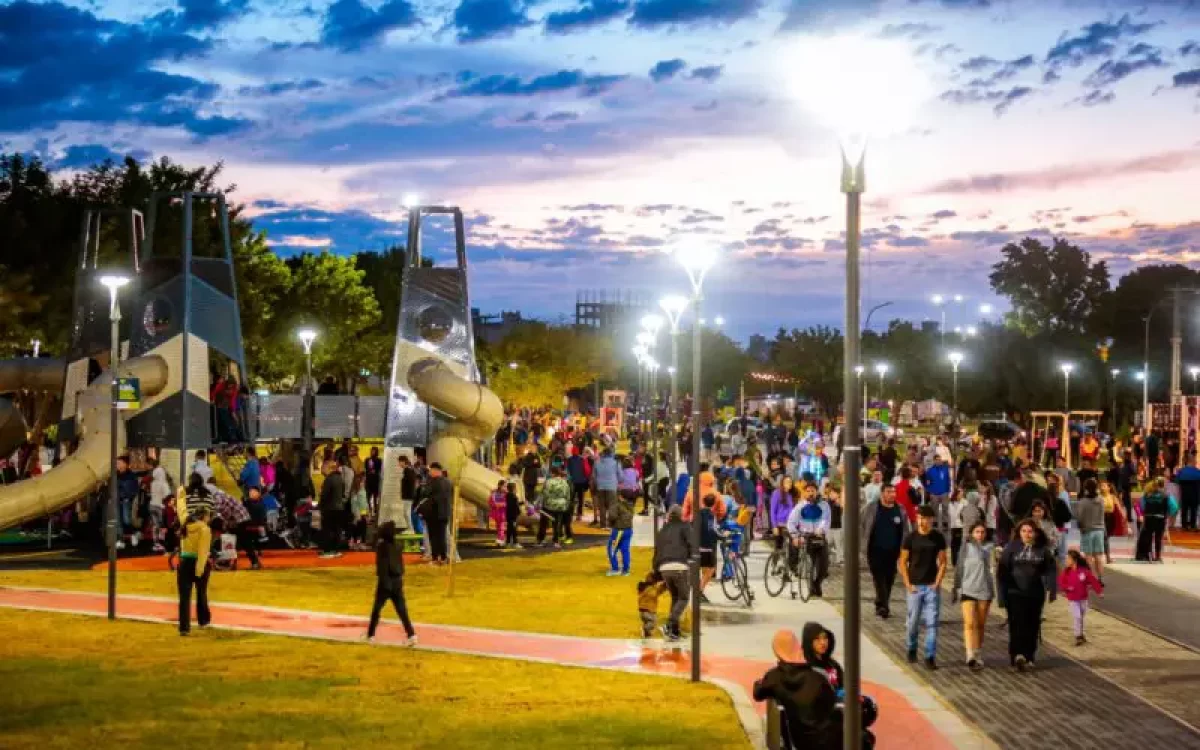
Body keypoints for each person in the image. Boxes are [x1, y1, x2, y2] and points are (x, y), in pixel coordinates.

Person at [752, 629, 842, 750]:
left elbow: (757, 694)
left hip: (796, 739)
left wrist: (760, 682)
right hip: (824, 737)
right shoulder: (817, 676)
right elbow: (832, 702)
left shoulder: (774, 677)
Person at [997, 518, 1057, 671]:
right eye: (1024, 531)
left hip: (1035, 593)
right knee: (1016, 624)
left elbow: (1050, 569)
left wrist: (1052, 588)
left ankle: (1029, 655)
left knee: (1032, 625)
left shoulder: (1042, 550)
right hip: (1014, 592)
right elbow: (1002, 572)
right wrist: (1001, 595)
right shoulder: (1011, 548)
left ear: (1035, 533)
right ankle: (1017, 655)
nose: (1027, 534)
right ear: (1019, 533)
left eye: (1030, 531)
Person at [900, 505, 947, 669]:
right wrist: (907, 584)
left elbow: (943, 562)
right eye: (919, 518)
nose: (922, 521)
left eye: (925, 518)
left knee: (932, 622)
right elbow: (903, 561)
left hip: (931, 586)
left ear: (931, 520)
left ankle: (929, 656)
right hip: (914, 585)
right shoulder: (910, 538)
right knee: (913, 622)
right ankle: (912, 647)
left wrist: (937, 582)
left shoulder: (937, 537)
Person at [365, 521, 418, 645]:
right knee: (402, 611)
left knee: (376, 609)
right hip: (397, 581)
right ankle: (411, 635)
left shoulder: (382, 547)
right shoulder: (397, 546)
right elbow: (401, 565)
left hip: (386, 582)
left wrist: (384, 583)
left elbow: (382, 567)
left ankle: (370, 635)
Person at [862, 484, 909, 620]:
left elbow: (906, 530)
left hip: (893, 552)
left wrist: (905, 549)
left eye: (894, 492)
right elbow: (861, 524)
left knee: (889, 578)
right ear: (882, 494)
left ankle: (881, 602)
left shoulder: (900, 510)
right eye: (889, 492)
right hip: (875, 550)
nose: (892, 494)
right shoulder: (871, 508)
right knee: (879, 577)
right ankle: (884, 606)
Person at [953, 522, 995, 670]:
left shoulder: (989, 548)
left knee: (980, 624)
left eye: (982, 532)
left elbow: (990, 563)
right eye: (977, 532)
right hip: (967, 589)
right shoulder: (965, 547)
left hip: (984, 590)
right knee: (969, 623)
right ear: (971, 533)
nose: (980, 535)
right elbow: (959, 567)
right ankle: (969, 654)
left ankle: (977, 652)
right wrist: (956, 587)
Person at [652, 505, 693, 641]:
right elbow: (692, 544)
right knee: (684, 597)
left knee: (675, 598)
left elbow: (657, 551)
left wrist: (656, 573)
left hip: (664, 568)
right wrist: (692, 559)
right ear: (681, 515)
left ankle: (674, 632)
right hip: (679, 565)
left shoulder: (662, 530)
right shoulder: (685, 527)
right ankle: (669, 624)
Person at [786, 482, 831, 598]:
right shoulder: (799, 507)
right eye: (808, 491)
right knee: (809, 565)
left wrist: (821, 530)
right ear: (805, 493)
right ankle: (811, 587)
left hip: (820, 538)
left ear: (816, 492)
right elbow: (791, 523)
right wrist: (795, 536)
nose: (811, 493)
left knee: (823, 567)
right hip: (806, 537)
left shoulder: (824, 505)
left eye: (813, 490)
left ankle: (817, 584)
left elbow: (826, 520)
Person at [177, 507, 212, 636]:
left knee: (184, 597)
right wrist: (199, 570)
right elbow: (203, 552)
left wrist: (181, 492)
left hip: (184, 562)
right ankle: (203, 620)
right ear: (204, 517)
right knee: (201, 593)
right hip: (198, 563)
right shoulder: (205, 529)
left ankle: (184, 628)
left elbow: (181, 509)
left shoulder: (185, 524)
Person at [1059, 549, 1103, 647]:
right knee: (1077, 617)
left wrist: (1099, 592)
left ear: (1074, 560)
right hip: (1073, 599)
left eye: (1068, 559)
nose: (1066, 561)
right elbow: (1061, 582)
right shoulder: (1066, 572)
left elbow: (1093, 581)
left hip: (1083, 598)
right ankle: (1078, 636)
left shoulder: (1084, 572)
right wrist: (1067, 588)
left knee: (1081, 617)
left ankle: (1081, 634)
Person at [1073, 478, 1107, 580]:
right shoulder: (1101, 500)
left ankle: (1092, 577)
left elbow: (1079, 517)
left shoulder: (1083, 502)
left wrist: (1080, 526)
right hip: (1099, 530)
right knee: (1099, 555)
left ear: (1085, 488)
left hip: (1087, 530)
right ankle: (1100, 578)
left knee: (1088, 556)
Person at [1136, 478, 1174, 562]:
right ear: (1163, 485)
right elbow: (1174, 507)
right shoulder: (1166, 495)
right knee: (1158, 538)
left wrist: (1143, 513)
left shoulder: (1147, 495)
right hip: (1160, 518)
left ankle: (1149, 555)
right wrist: (1168, 513)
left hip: (1149, 518)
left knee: (1148, 537)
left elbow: (1141, 506)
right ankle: (1158, 556)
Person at [606, 472, 635, 575]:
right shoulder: (631, 505)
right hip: (629, 530)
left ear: (621, 497)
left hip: (618, 530)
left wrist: (610, 523)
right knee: (625, 549)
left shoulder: (617, 505)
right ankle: (626, 570)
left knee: (612, 549)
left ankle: (615, 569)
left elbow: (612, 516)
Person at [426, 463, 454, 564]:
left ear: (435, 470)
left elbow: (431, 498)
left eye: (430, 470)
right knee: (442, 536)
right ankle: (443, 557)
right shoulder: (448, 482)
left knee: (434, 537)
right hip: (445, 513)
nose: (429, 472)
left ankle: (435, 558)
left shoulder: (433, 482)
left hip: (434, 513)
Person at [318, 460, 345, 559]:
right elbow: (343, 493)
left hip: (329, 508)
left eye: (323, 467)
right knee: (337, 530)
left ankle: (328, 550)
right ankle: (335, 550)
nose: (322, 470)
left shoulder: (329, 479)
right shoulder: (340, 478)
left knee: (328, 530)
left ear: (328, 468)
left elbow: (325, 495)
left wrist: (320, 505)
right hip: (339, 508)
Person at [592, 447, 620, 529]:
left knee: (602, 506)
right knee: (612, 505)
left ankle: (603, 525)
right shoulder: (616, 463)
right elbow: (621, 476)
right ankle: (611, 524)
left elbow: (593, 476)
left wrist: (597, 483)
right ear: (611, 454)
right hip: (612, 487)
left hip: (600, 486)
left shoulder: (597, 463)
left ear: (603, 454)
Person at [925, 453, 952, 533]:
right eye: (937, 460)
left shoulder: (945, 469)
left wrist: (948, 490)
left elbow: (948, 480)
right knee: (934, 509)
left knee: (945, 508)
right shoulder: (930, 470)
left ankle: (945, 524)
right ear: (934, 461)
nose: (938, 461)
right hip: (934, 493)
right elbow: (927, 482)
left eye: (939, 460)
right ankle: (935, 523)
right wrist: (930, 491)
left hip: (944, 492)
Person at [638, 570, 667, 638]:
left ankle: (646, 635)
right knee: (653, 622)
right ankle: (644, 629)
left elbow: (657, 592)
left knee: (648, 623)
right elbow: (655, 593)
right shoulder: (649, 589)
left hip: (644, 610)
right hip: (648, 610)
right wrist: (663, 586)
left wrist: (664, 586)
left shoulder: (645, 587)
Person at [503, 481, 523, 549]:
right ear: (514, 489)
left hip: (508, 515)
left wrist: (521, 503)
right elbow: (516, 506)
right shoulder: (514, 497)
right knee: (514, 530)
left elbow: (513, 504)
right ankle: (515, 543)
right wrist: (519, 512)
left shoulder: (507, 495)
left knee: (509, 529)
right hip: (513, 516)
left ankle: (508, 542)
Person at [488, 479, 507, 545]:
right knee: (499, 526)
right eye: (504, 486)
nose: (505, 488)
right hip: (497, 512)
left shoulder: (506, 494)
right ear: (499, 486)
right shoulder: (494, 493)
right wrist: (495, 504)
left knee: (501, 526)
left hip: (503, 512)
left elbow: (507, 503)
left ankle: (501, 539)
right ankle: (500, 539)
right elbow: (490, 502)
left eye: (506, 486)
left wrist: (501, 504)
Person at [364, 447, 382, 514]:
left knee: (375, 498)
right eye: (371, 451)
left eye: (374, 451)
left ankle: (376, 511)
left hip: (375, 481)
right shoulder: (367, 459)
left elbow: (379, 469)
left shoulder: (379, 460)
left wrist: (375, 471)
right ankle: (369, 511)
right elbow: (366, 469)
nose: (372, 452)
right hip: (368, 481)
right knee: (367, 497)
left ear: (376, 452)